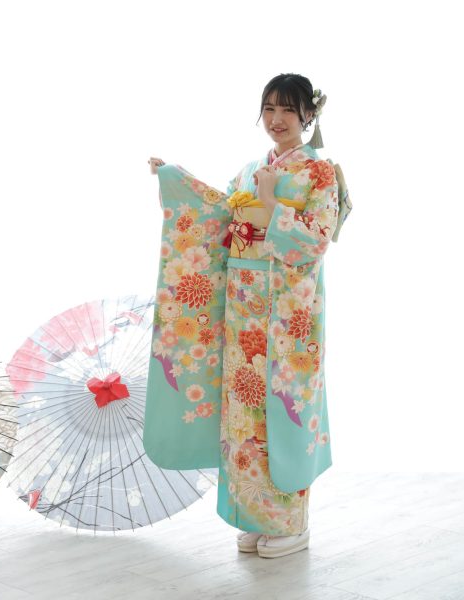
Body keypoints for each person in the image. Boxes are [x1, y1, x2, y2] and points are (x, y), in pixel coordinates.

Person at [142, 73, 340, 559]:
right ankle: (255, 516)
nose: (277, 119)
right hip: (242, 305)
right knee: (245, 409)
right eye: (270, 109)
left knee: (284, 408)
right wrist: (177, 180)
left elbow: (317, 238)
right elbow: (220, 215)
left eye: (288, 110)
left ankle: (291, 522)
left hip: (288, 311)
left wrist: (270, 203)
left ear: (308, 115)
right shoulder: (252, 167)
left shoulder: (320, 173)